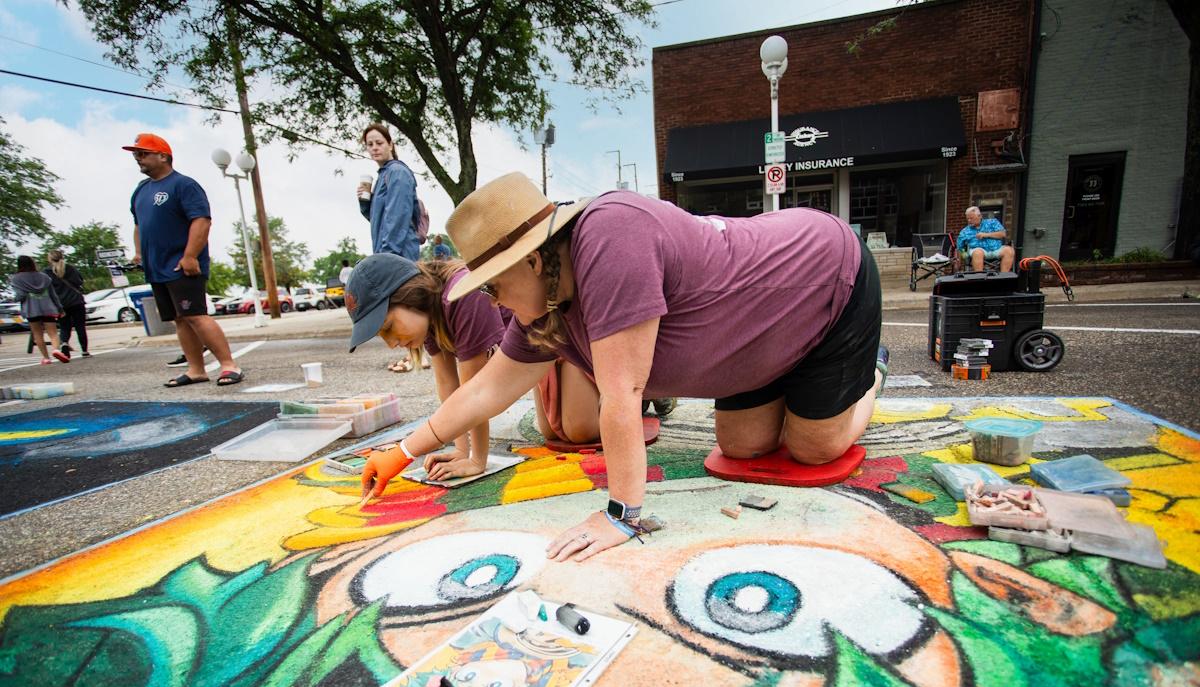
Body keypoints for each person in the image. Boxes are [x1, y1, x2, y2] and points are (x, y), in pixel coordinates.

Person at [356, 173, 887, 564]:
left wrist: (622, 515)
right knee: (743, 446)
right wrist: (401, 453)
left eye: (493, 285)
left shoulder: (610, 237)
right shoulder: (545, 302)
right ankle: (799, 379)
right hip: (760, 343)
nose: (492, 303)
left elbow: (623, 394)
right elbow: (483, 392)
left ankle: (873, 373)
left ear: (534, 260)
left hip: (824, 282)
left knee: (815, 450)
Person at [345, 253, 508, 480]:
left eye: (388, 327)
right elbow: (448, 385)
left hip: (551, 345)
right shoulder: (428, 314)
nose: (391, 344)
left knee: (572, 429)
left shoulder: (463, 295)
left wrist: (477, 460)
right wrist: (462, 450)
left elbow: (475, 391)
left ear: (410, 295)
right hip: (534, 360)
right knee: (555, 431)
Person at [123, 133, 243, 387]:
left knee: (195, 314)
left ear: (163, 156)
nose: (138, 158)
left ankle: (229, 365)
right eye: (136, 154)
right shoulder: (141, 191)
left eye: (143, 153)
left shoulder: (183, 185)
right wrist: (139, 253)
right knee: (179, 318)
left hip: (181, 263)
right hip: (156, 266)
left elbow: (201, 220)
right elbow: (139, 225)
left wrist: (190, 255)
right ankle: (196, 369)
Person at [357, 122, 425, 374]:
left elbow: (398, 216)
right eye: (370, 145)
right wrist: (365, 203)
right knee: (401, 306)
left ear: (390, 144)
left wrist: (387, 259)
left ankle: (416, 357)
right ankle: (413, 356)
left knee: (407, 306)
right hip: (389, 250)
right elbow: (378, 220)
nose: (374, 148)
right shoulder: (383, 176)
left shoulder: (397, 173)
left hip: (397, 252)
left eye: (378, 143)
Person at [10, 255, 68, 364]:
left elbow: (20, 296)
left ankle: (46, 358)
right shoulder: (44, 277)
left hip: (31, 310)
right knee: (53, 333)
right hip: (48, 308)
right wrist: (60, 309)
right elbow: (53, 295)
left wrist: (15, 299)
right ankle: (56, 350)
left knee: (37, 334)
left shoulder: (17, 279)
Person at [43, 249, 89, 358]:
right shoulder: (71, 268)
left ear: (49, 259)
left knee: (64, 326)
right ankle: (84, 350)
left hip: (60, 304)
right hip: (76, 301)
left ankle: (64, 343)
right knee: (80, 326)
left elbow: (46, 288)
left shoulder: (46, 272)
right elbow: (80, 281)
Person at [956, 206, 1015, 272]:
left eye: (971, 218)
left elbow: (1002, 234)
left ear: (980, 216)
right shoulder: (965, 231)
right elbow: (960, 247)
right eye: (968, 219)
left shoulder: (992, 222)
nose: (969, 221)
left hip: (996, 249)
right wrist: (965, 257)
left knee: (1009, 250)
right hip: (978, 250)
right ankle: (979, 277)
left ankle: (1004, 277)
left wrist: (986, 235)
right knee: (978, 253)